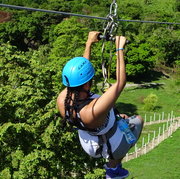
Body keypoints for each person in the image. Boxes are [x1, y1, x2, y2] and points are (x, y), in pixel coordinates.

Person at [57, 31, 144, 179]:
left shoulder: (63, 99)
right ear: (86, 84)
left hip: (89, 144)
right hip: (111, 147)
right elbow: (120, 83)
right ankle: (113, 169)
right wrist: (119, 49)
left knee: (123, 117)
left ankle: (114, 165)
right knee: (139, 120)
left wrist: (89, 43)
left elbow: (78, 76)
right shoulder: (93, 110)